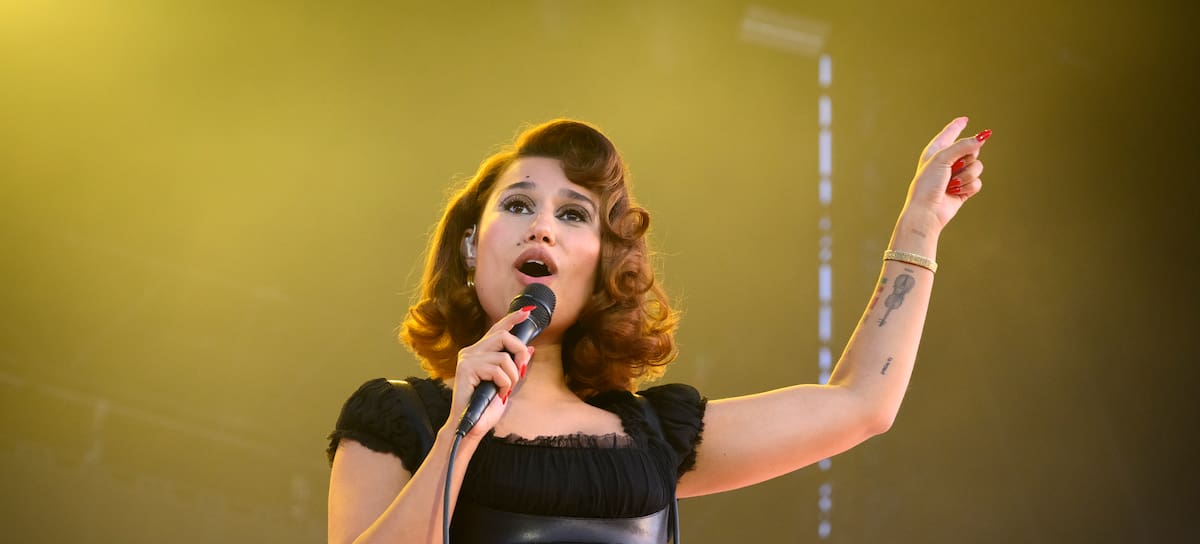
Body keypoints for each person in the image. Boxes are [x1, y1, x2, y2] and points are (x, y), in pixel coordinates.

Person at [325, 117, 990, 543]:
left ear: (602, 265)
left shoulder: (654, 434)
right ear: (473, 247)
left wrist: (920, 226)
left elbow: (861, 403)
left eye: (573, 214)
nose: (543, 227)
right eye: (519, 204)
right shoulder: (401, 419)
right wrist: (459, 433)